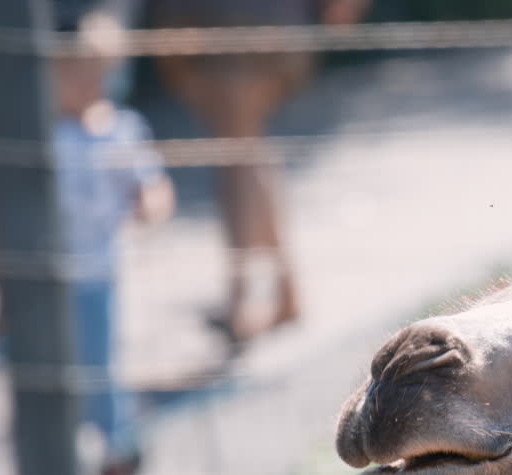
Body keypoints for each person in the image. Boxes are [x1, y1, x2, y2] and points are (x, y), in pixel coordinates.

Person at [146, 0, 368, 346]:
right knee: (245, 150)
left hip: (231, 26)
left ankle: (243, 299)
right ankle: (282, 292)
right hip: (247, 27)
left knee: (237, 158)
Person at [53, 12, 175, 475]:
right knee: (51, 365)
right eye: (69, 72)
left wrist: (149, 207)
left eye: (93, 71)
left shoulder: (120, 129)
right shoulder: (40, 134)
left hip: (97, 270)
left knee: (98, 361)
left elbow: (152, 184)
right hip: (43, 274)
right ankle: (62, 447)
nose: (84, 82)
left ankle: (116, 442)